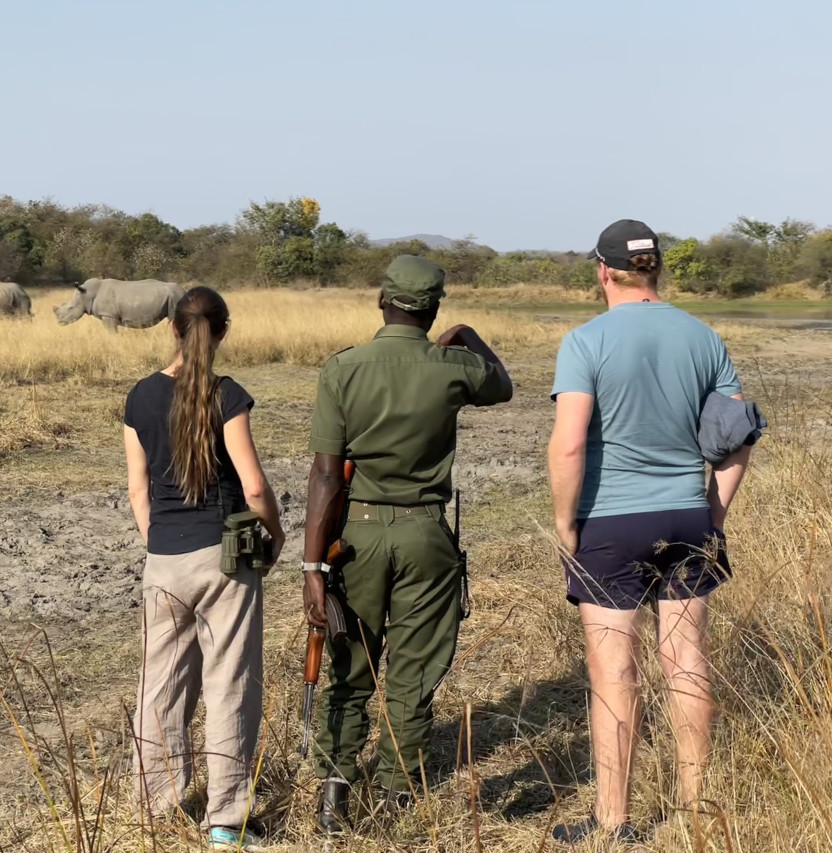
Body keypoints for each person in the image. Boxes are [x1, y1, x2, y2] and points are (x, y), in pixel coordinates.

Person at [546, 220, 754, 844]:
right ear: (656, 270)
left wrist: (566, 524)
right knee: (686, 660)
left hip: (609, 522)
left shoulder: (585, 341)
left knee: (615, 672)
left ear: (603, 272)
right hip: (688, 516)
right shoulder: (704, 337)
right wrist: (712, 515)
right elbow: (737, 440)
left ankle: (614, 821)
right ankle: (695, 812)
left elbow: (570, 443)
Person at [301, 255, 513, 833]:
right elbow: (503, 385)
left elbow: (325, 476)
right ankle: (399, 794)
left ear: (381, 300)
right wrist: (468, 337)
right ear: (435, 308)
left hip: (356, 537)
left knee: (349, 664)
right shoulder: (452, 366)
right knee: (413, 671)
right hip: (426, 533)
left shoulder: (342, 369)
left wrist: (313, 565)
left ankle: (334, 794)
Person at [124, 285, 285, 852]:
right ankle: (225, 821)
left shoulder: (139, 397)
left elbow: (138, 489)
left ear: (172, 328)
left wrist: (161, 543)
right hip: (224, 559)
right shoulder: (228, 396)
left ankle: (155, 808)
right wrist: (277, 533)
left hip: (163, 559)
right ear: (222, 332)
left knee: (160, 685)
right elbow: (255, 485)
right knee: (229, 683)